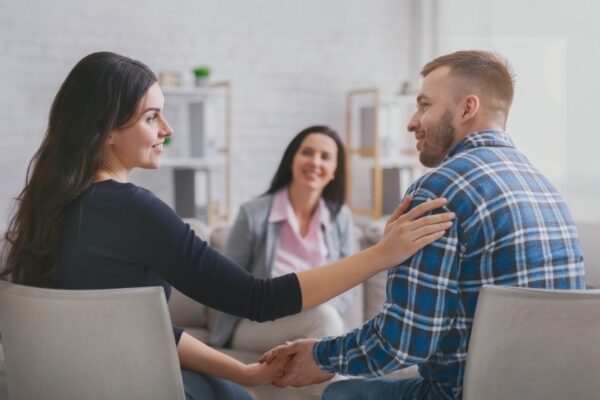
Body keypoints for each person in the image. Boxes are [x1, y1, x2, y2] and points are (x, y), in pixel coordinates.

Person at [0, 52, 455, 400]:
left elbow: (143, 329)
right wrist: (381, 255)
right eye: (151, 116)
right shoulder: (135, 211)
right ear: (107, 131)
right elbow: (257, 299)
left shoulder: (50, 207)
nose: (168, 129)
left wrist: (241, 371)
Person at [261, 50, 586, 400]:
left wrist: (321, 356)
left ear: (467, 108)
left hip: (464, 393)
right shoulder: (546, 189)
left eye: (425, 105)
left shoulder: (438, 191)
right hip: (551, 391)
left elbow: (404, 341)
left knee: (340, 394)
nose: (412, 121)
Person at [209, 125, 357, 352]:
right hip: (256, 324)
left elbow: (349, 284)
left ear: (335, 170)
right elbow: (227, 282)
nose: (315, 162)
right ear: (291, 159)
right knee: (324, 321)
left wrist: (319, 307)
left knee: (324, 320)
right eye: (307, 152)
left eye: (325, 157)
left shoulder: (341, 218)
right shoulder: (253, 214)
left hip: (318, 321)